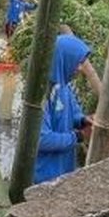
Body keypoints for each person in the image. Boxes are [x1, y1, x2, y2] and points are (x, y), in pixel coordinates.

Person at [34, 33, 92, 184]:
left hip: (64, 171)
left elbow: (73, 113)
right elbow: (41, 139)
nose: (80, 68)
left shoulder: (65, 86)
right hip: (45, 177)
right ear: (65, 59)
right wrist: (78, 137)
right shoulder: (42, 93)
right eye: (78, 63)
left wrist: (83, 120)